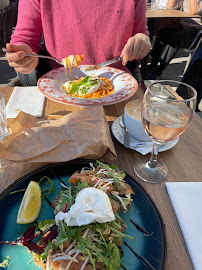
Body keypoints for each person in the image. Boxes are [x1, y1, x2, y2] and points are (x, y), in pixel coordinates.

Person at [5, 0, 151, 78]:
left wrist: (141, 41)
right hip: (61, 84)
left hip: (115, 83)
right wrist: (23, 54)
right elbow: (25, 38)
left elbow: (140, 34)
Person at [146, 0, 202, 79]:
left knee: (174, 39)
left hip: (198, 30)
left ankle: (159, 70)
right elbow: (169, 7)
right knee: (162, 33)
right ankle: (153, 64)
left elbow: (194, 11)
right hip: (184, 25)